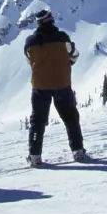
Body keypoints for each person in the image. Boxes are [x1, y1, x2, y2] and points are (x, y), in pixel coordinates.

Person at [24, 9, 86, 166]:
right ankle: (78, 151)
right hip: (62, 83)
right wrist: (65, 64)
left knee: (37, 120)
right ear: (51, 20)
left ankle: (35, 156)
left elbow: (30, 61)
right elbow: (74, 55)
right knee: (70, 117)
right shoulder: (63, 38)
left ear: (38, 23)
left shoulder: (30, 42)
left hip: (40, 86)